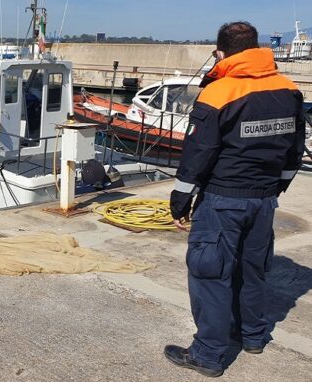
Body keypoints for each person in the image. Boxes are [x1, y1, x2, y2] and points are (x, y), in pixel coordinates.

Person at [165, 21, 305, 377]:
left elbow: (198, 153)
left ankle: (209, 355)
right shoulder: (288, 89)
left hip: (223, 200)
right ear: (256, 48)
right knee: (251, 271)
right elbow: (294, 151)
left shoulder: (220, 92)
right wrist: (275, 188)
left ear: (220, 53)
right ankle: (252, 336)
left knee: (210, 273)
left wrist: (180, 201)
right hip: (264, 201)